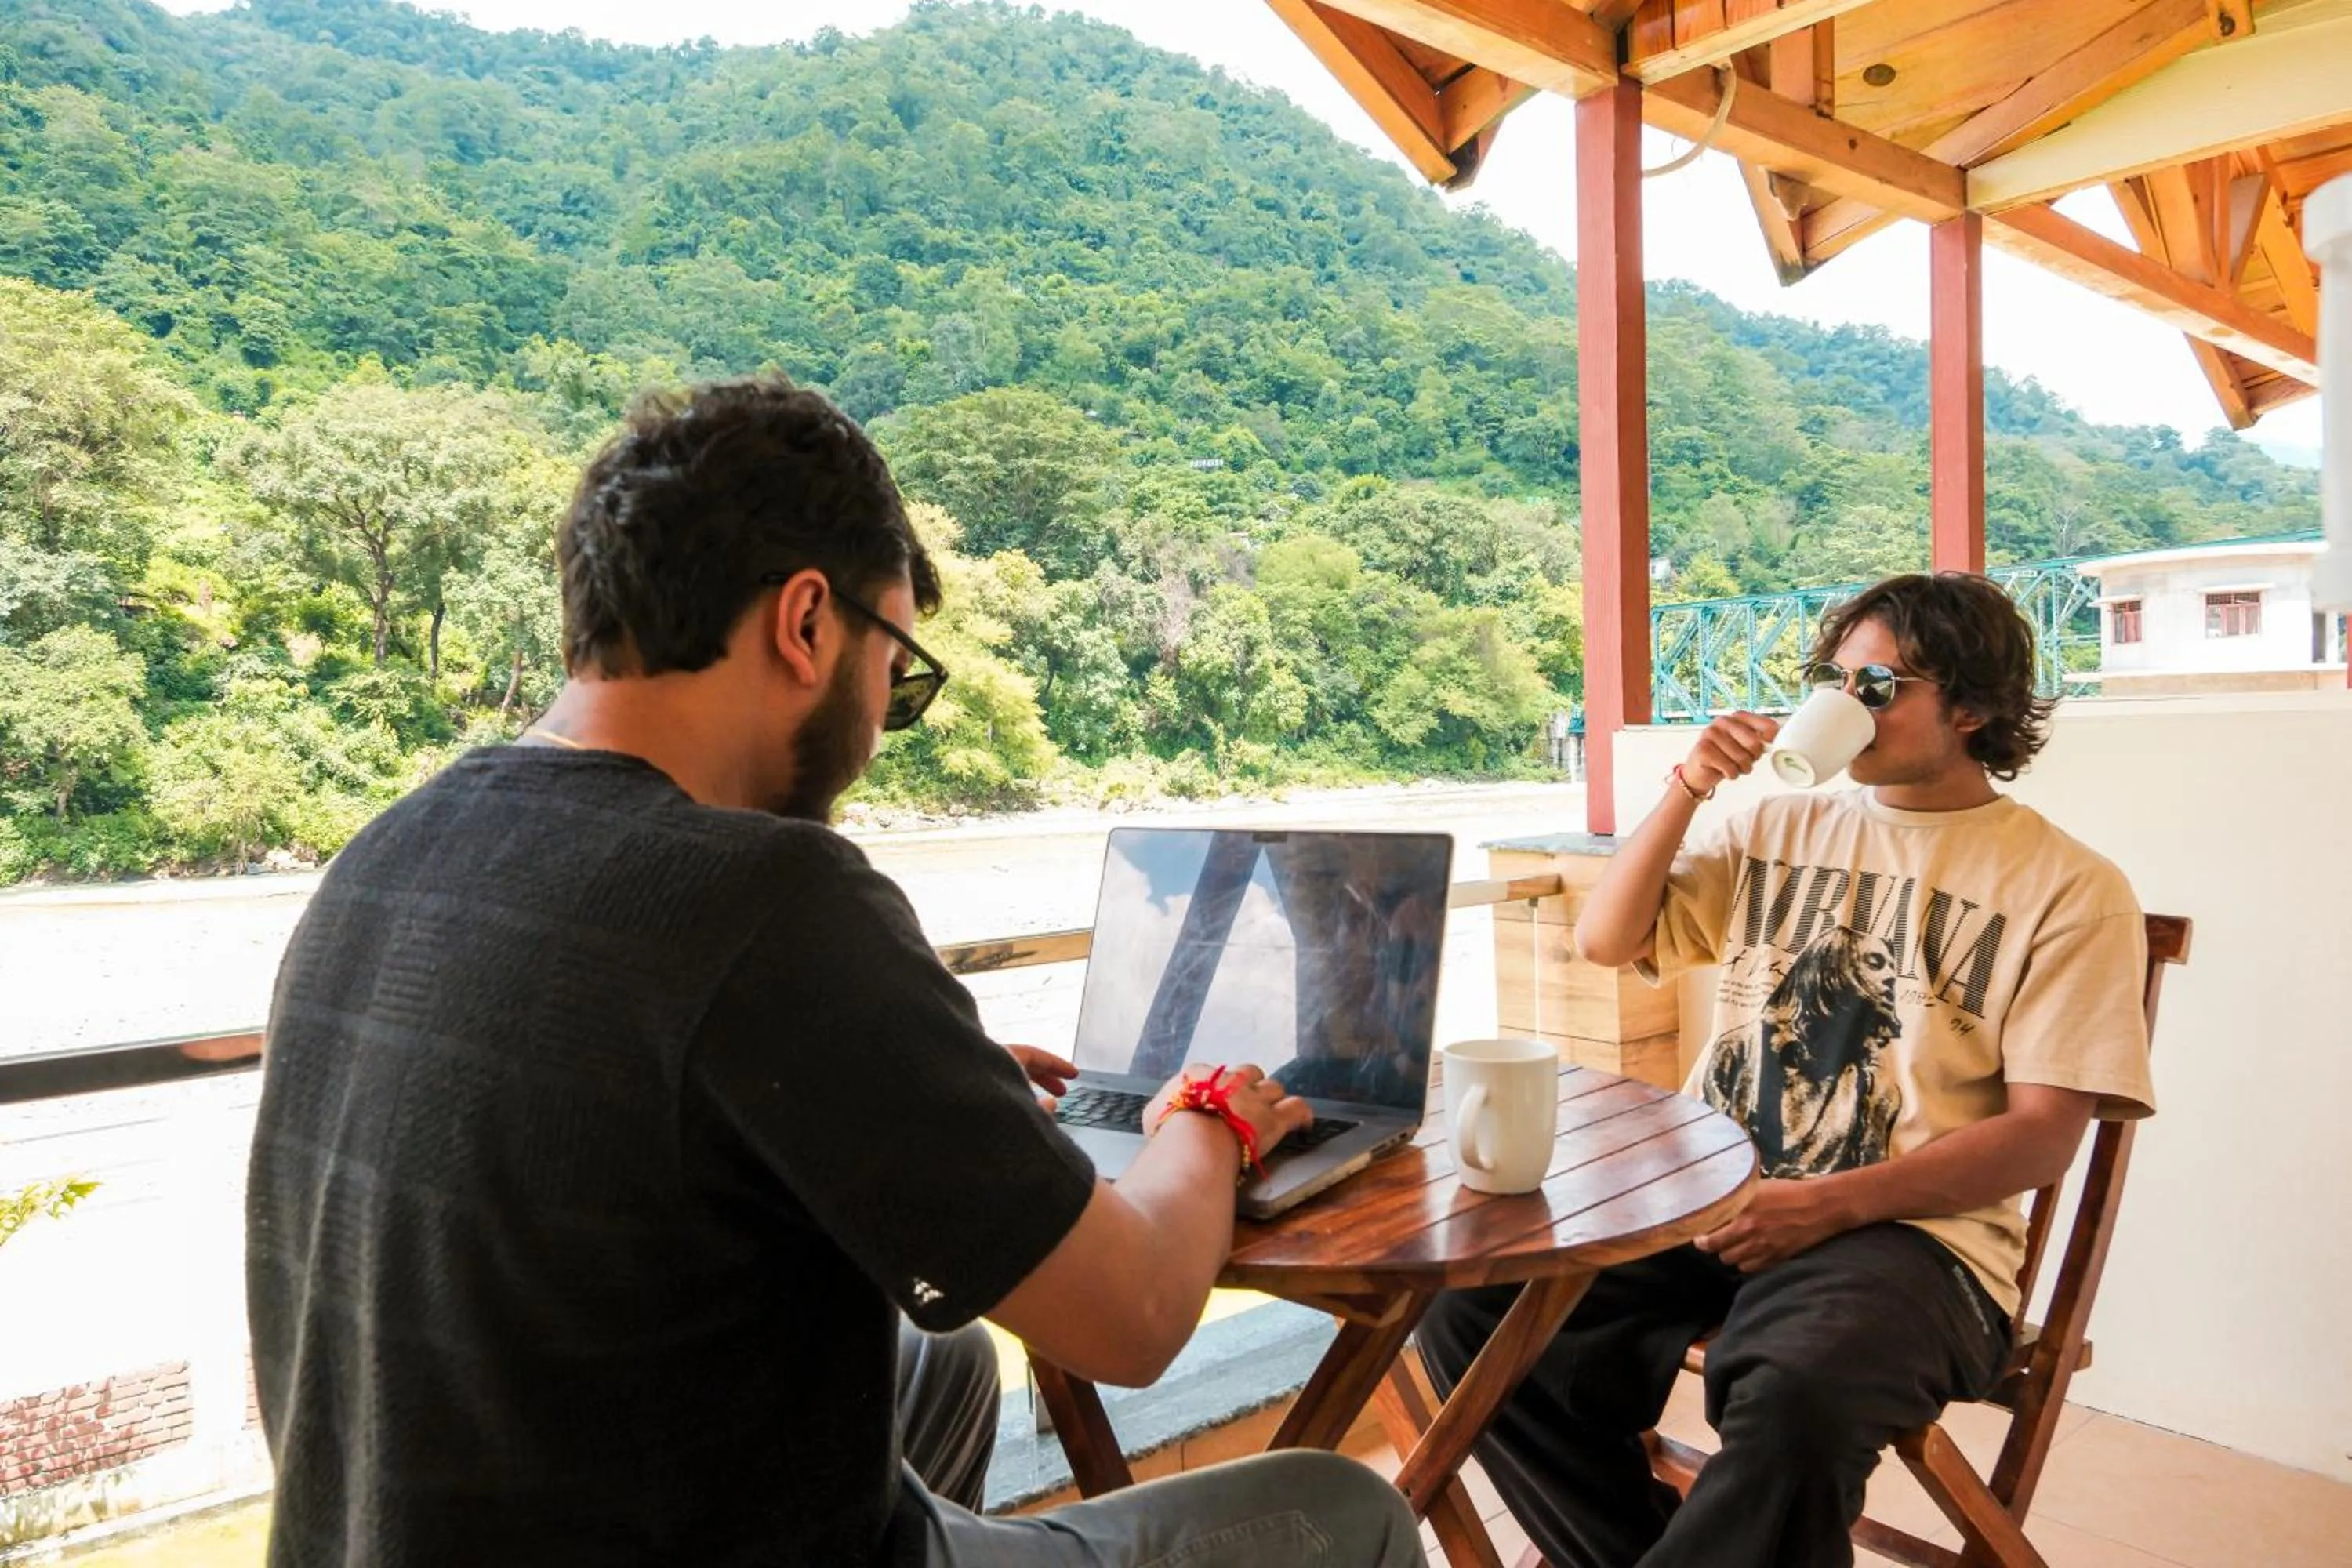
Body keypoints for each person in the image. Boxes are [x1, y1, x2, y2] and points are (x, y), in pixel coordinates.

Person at [245, 377, 1425, 1568]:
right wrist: (1207, 1120)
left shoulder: (388, 855)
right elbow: (1134, 1318)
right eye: (898, 671)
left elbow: (624, 1107)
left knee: (944, 1365)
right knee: (1347, 1513)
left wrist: (926, 1093)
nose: (880, 725)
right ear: (807, 623)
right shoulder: (766, 896)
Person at [1417, 572, 2155, 1568]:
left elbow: (2044, 1133)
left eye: (1880, 686)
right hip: (1708, 1196)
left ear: (1973, 706)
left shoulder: (2071, 888)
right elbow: (1604, 937)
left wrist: (1825, 1205)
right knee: (1474, 1310)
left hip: (1913, 1240)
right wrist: (1689, 784)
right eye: (1834, 680)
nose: (1846, 706)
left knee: (1795, 1387)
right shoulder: (1774, 827)